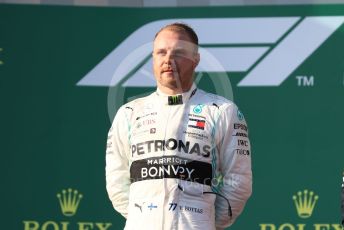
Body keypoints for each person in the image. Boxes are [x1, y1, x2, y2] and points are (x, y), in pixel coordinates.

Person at [106, 22, 252, 230]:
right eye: (161, 52)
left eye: (178, 52)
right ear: (153, 59)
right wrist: (145, 220)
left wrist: (202, 223)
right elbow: (116, 183)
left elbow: (239, 181)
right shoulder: (129, 114)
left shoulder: (222, 111)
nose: (168, 60)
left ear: (195, 59)